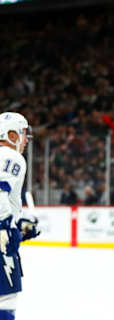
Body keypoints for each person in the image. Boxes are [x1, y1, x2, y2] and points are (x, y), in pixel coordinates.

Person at [0, 112, 40, 319]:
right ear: (11, 135)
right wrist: (6, 228)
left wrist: (18, 226)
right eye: (23, 134)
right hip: (1, 239)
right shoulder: (10, 156)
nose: (26, 140)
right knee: (5, 300)